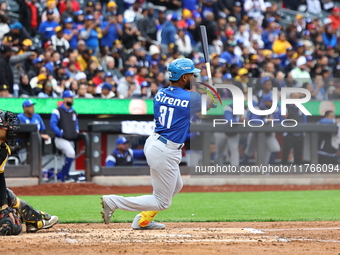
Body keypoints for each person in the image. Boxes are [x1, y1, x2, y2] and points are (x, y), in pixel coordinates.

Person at [101, 58, 216, 230]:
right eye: (191, 75)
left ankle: (142, 219)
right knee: (162, 202)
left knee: (177, 185)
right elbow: (209, 104)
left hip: (155, 143)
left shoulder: (160, 93)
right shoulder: (192, 98)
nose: (194, 78)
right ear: (184, 77)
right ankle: (114, 201)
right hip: (165, 150)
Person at [0, 110, 58, 235]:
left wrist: (4, 206)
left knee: (6, 195)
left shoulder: (3, 149)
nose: (11, 128)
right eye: (7, 124)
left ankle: (34, 218)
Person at [50, 90, 79, 182]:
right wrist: (61, 133)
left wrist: (76, 131)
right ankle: (66, 176)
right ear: (65, 98)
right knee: (71, 153)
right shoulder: (57, 110)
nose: (71, 99)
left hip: (71, 139)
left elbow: (76, 124)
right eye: (70, 97)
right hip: (61, 139)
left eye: (72, 97)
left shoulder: (73, 112)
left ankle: (63, 180)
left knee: (65, 160)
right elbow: (52, 124)